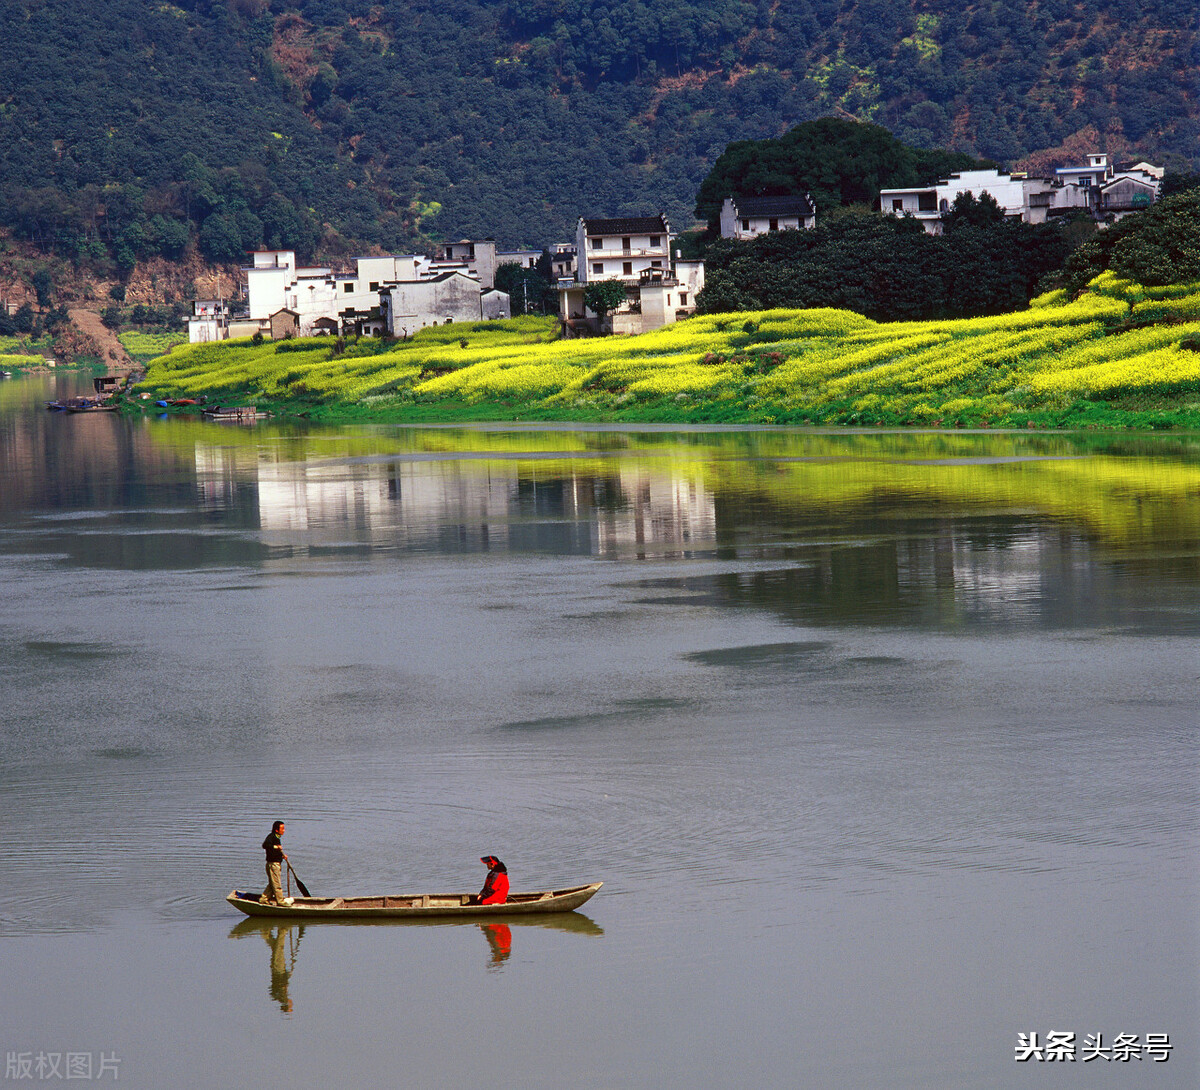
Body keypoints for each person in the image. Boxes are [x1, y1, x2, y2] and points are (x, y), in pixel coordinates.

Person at [261, 820, 291, 906]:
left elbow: (273, 851)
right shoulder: (271, 837)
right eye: (282, 828)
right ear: (277, 830)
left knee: (272, 883)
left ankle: (264, 899)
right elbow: (265, 845)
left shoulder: (277, 838)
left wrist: (282, 855)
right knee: (277, 884)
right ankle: (280, 901)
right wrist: (275, 847)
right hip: (273, 865)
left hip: (275, 863)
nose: (284, 830)